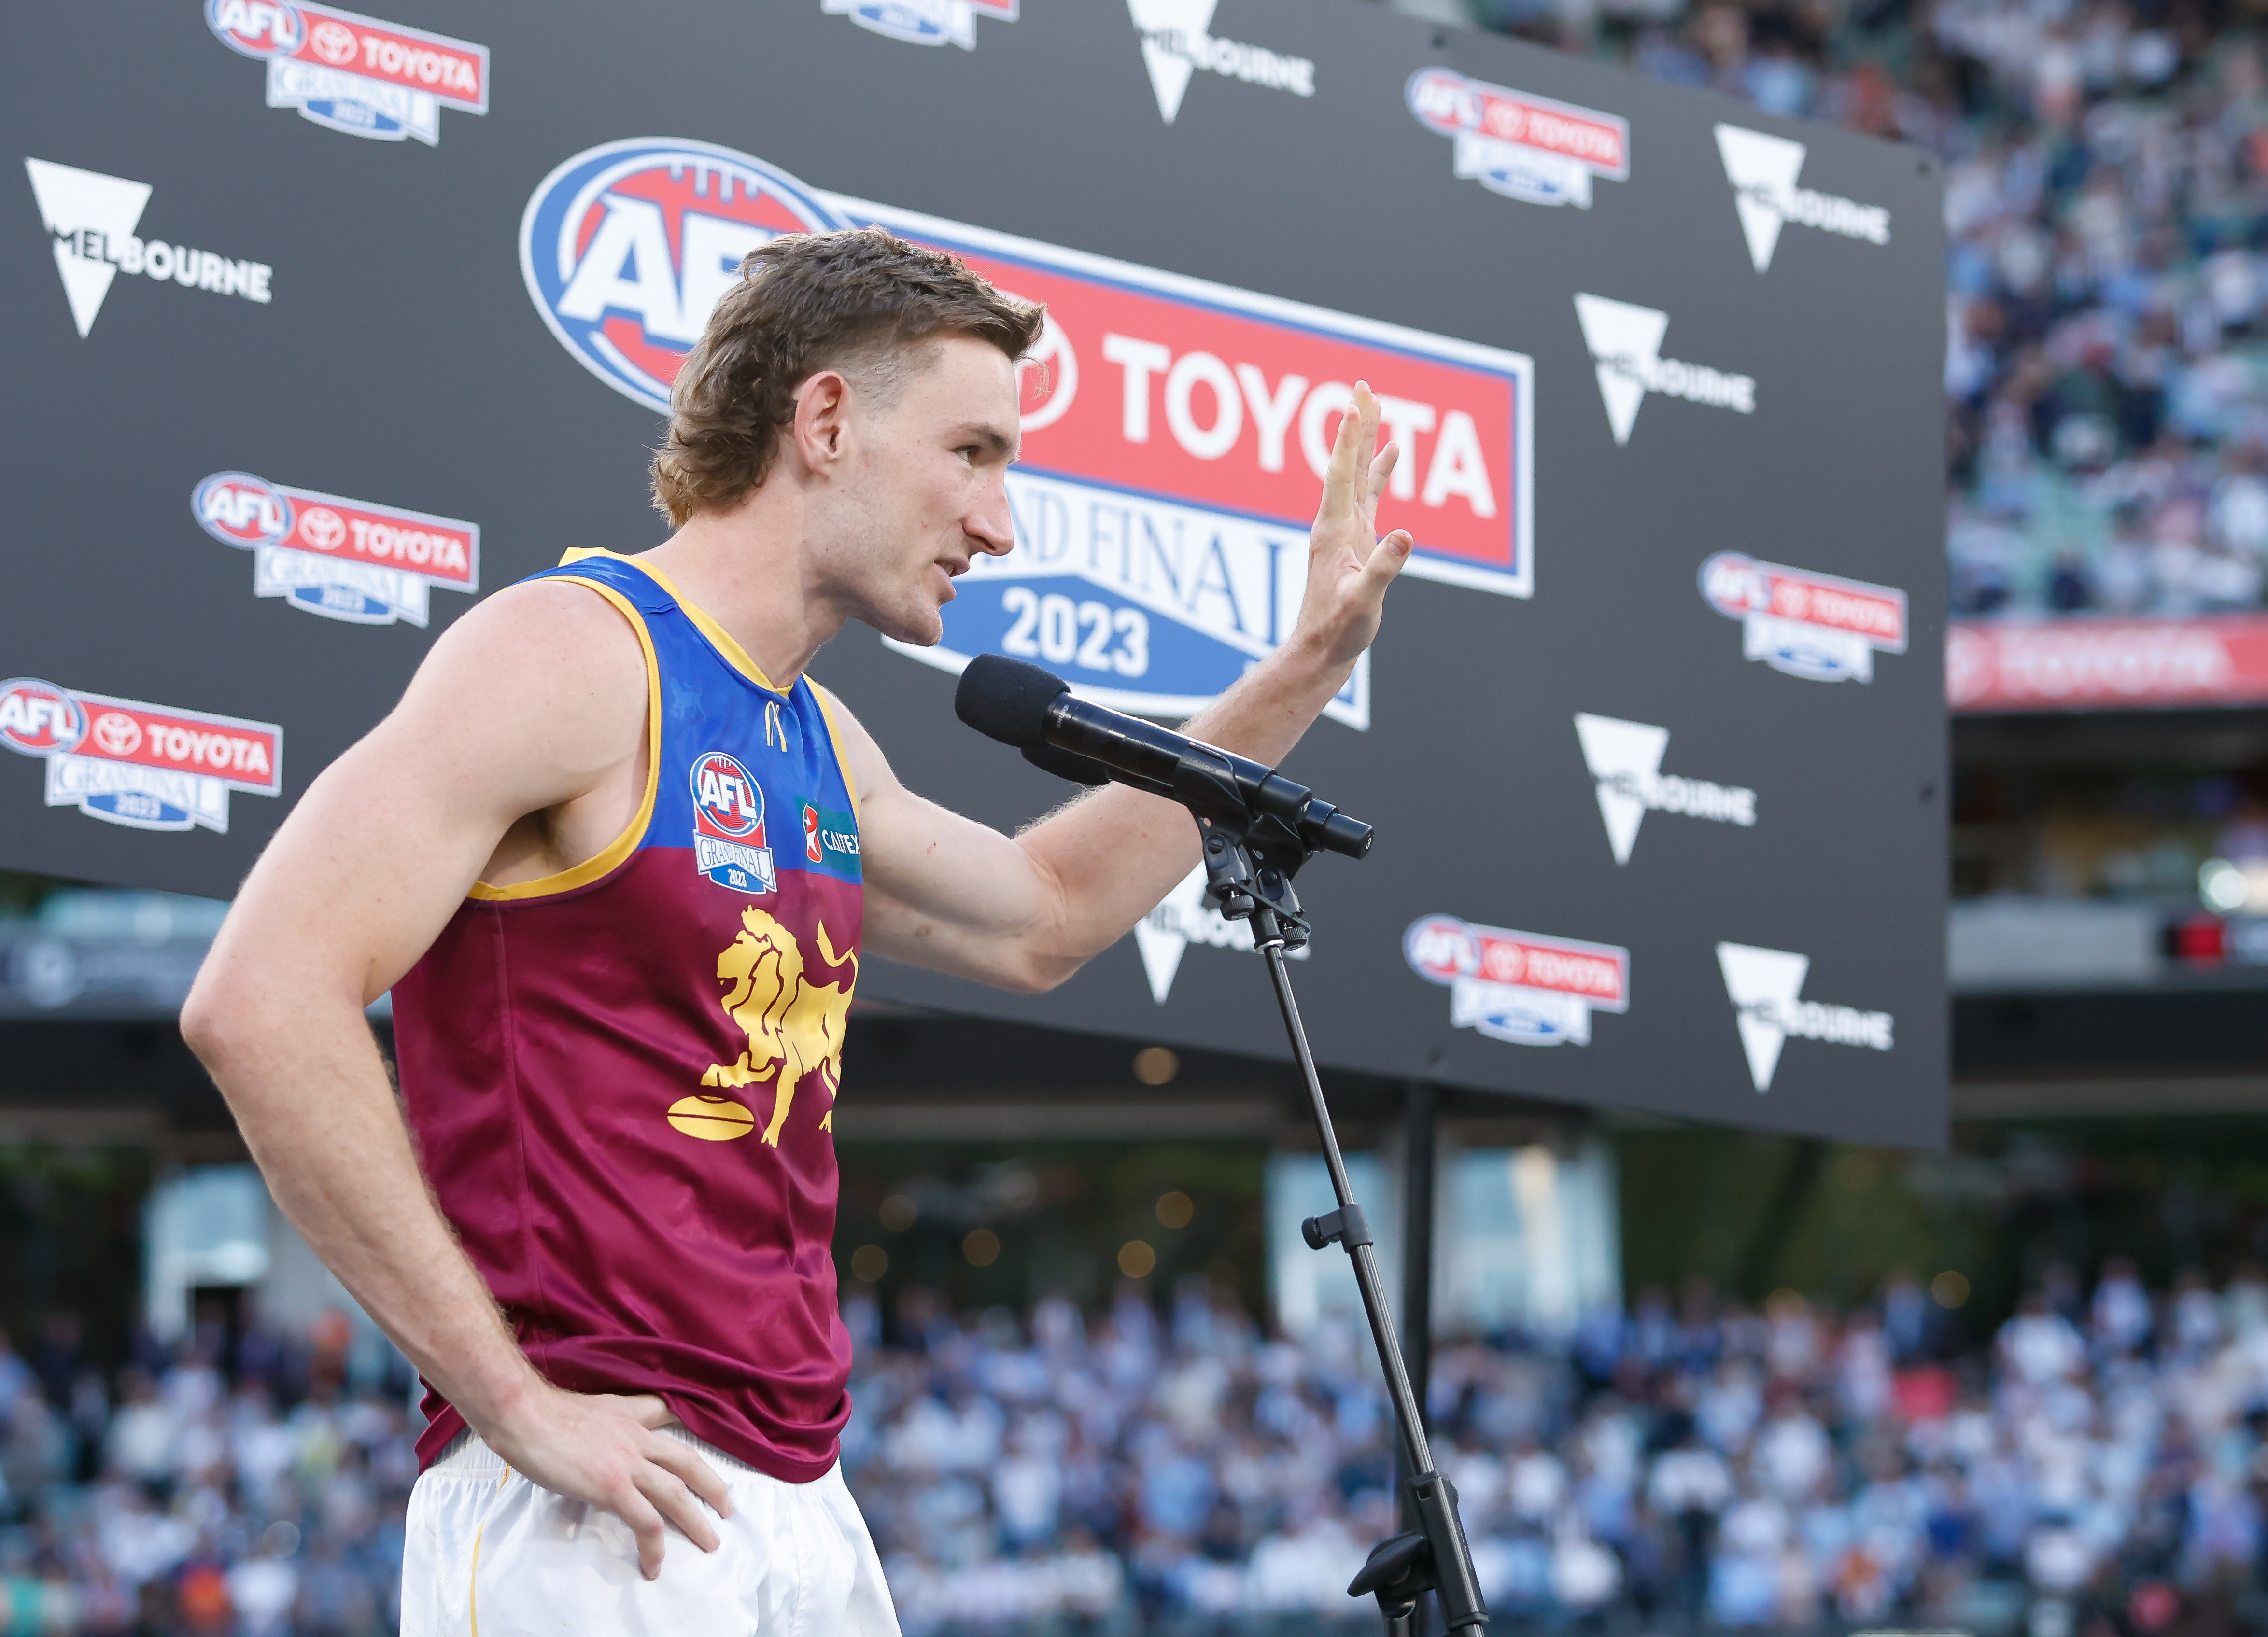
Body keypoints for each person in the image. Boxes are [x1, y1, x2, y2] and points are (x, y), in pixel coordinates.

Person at [180, 226, 1413, 1635]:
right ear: (826, 420)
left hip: (801, 1494)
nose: (1001, 523)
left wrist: (1302, 671)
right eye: (974, 453)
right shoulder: (572, 653)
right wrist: (507, 1396)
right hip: (601, 1506)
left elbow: (1047, 916)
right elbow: (262, 998)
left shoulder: (817, 735)